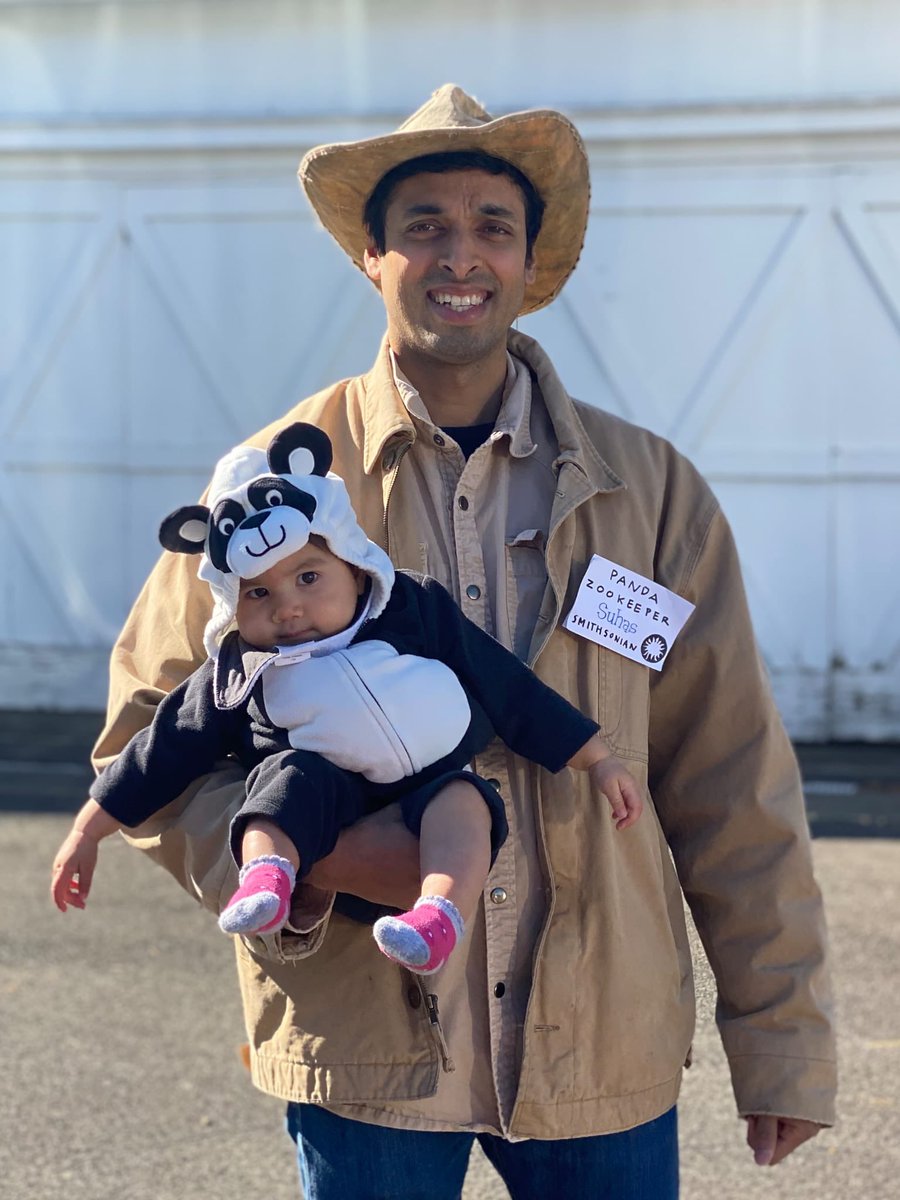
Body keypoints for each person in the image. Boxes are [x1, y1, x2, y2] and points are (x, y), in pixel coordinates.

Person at [85, 85, 836, 1198]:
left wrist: (781, 1037)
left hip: (604, 1045)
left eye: (493, 225)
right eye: (424, 224)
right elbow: (146, 737)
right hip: (369, 1047)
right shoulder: (271, 488)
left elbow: (730, 775)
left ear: (531, 262)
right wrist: (325, 859)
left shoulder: (649, 494)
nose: (460, 255)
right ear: (371, 256)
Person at [50, 422, 642, 977]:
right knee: (282, 782)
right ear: (232, 604)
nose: (288, 608)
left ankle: (437, 916)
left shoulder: (411, 608)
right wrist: (89, 829)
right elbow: (161, 750)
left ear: (356, 569)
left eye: (308, 577)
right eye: (258, 593)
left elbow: (507, 685)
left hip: (430, 785)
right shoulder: (238, 671)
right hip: (328, 810)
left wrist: (595, 757)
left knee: (467, 802)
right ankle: (267, 878)